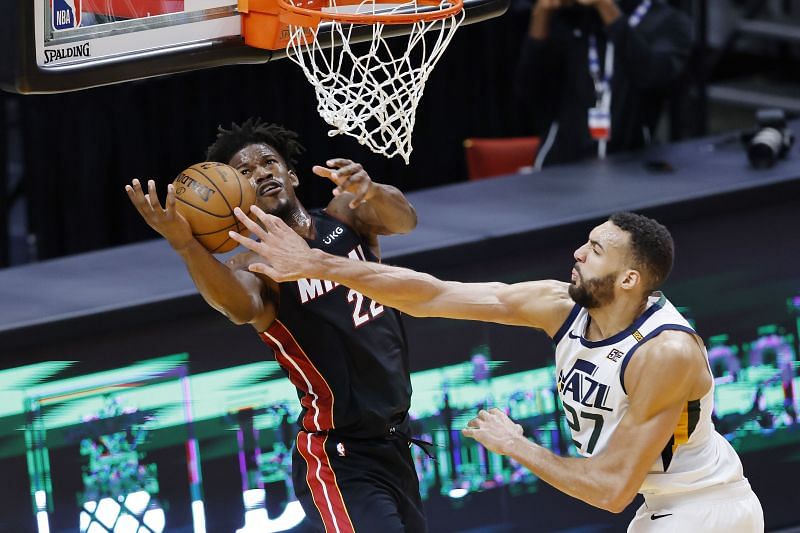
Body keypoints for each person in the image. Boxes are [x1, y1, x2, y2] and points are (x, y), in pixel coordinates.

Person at [228, 208, 764, 532]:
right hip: (664, 507)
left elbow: (608, 490)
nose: (577, 252)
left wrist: (516, 445)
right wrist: (318, 265)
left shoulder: (664, 354)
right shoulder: (560, 305)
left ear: (628, 280)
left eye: (595, 250)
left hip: (706, 510)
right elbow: (432, 295)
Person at [125, 118, 427, 532]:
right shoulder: (254, 266)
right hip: (341, 458)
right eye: (244, 172)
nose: (261, 171)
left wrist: (371, 189)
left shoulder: (345, 217)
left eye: (268, 162)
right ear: (234, 197)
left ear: (292, 175)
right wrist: (186, 245)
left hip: (397, 440)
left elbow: (405, 220)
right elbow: (238, 307)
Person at [515, 0, 692, 168]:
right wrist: (542, 14)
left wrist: (605, 6)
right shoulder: (569, 18)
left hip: (632, 164)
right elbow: (530, 90)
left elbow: (653, 76)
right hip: (562, 167)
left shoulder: (668, 21)